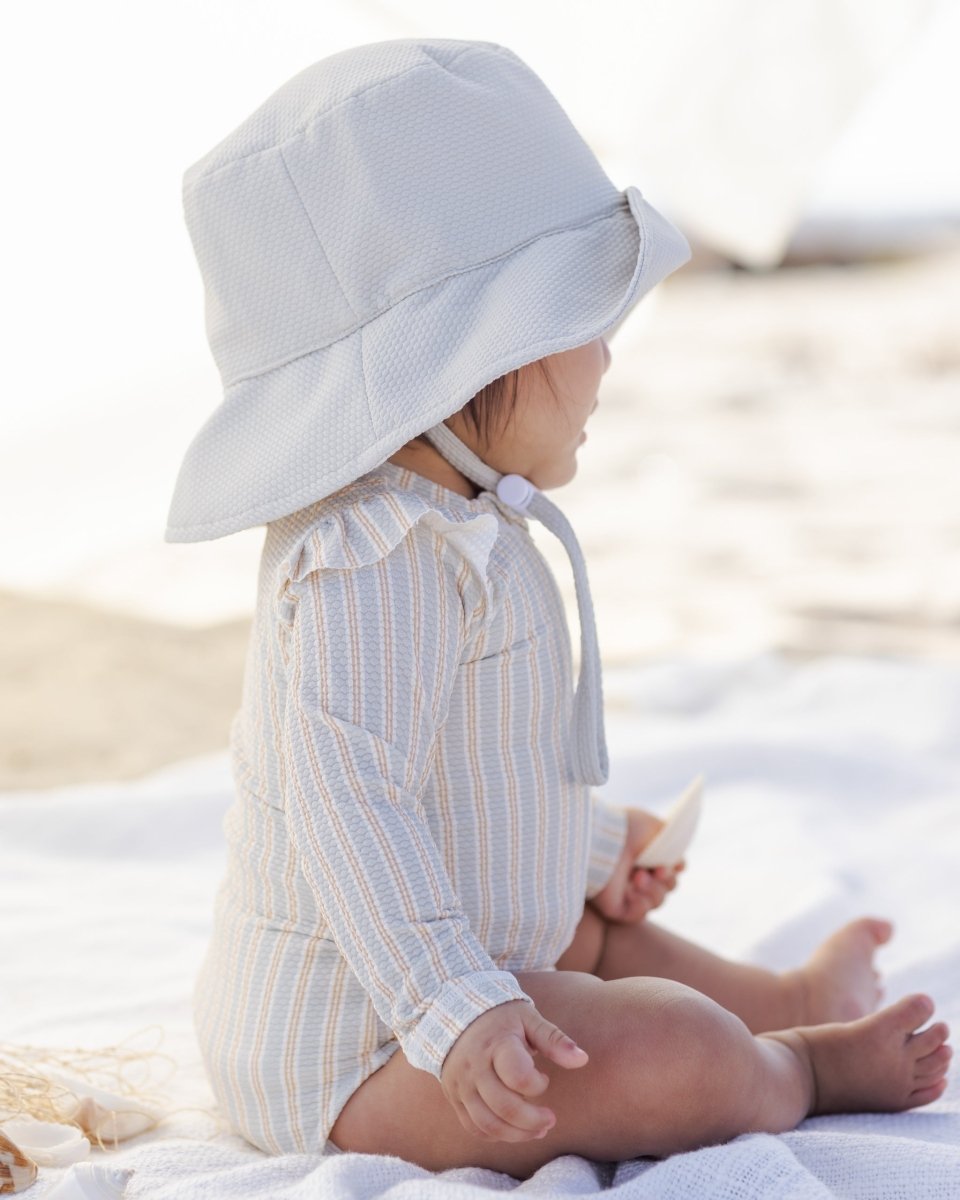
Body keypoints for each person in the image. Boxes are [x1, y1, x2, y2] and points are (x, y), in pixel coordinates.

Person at [165, 38, 951, 1179]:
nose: (606, 361)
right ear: (474, 357)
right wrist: (457, 1008)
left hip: (453, 961)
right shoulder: (367, 564)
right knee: (666, 1045)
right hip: (357, 1043)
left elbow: (470, 771)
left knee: (606, 936)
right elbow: (353, 811)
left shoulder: (464, 518)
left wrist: (584, 846)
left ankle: (780, 998)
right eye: (582, 323)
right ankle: (796, 1068)